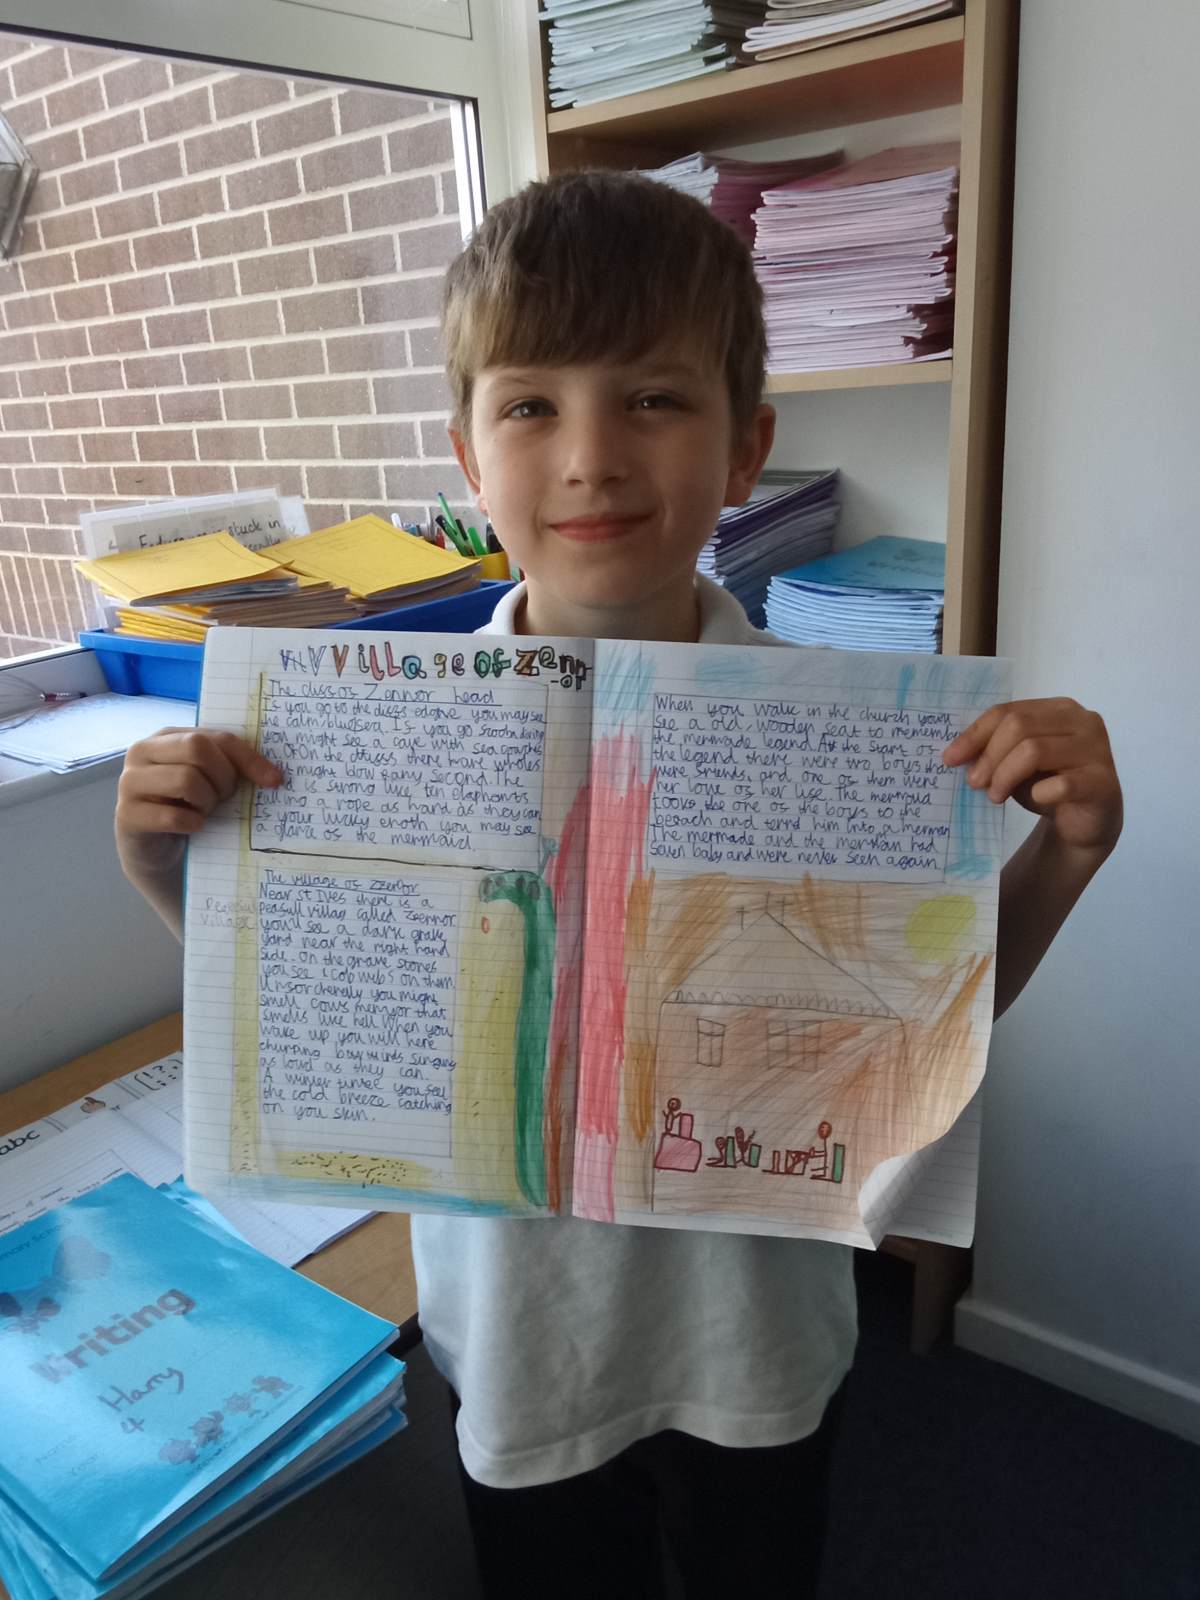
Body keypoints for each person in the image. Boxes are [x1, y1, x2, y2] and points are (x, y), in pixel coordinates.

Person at [114, 171, 1123, 1599]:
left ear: (746, 447)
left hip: (757, 1346)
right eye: (531, 405)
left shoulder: (847, 735)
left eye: (654, 398)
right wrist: (177, 869)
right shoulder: (376, 732)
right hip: (522, 1348)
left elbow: (925, 1033)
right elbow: (322, 1012)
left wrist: (1066, 852)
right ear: (469, 462)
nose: (591, 457)